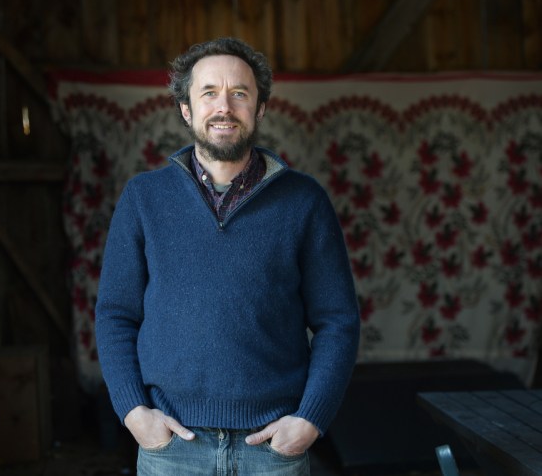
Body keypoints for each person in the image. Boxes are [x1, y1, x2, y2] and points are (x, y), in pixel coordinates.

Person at [95, 37, 360, 476]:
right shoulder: (143, 198)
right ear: (186, 109)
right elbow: (114, 315)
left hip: (273, 450)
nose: (224, 106)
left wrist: (310, 419)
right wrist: (133, 413)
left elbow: (338, 321)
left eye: (239, 93)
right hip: (172, 449)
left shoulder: (304, 201)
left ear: (259, 109)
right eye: (209, 93)